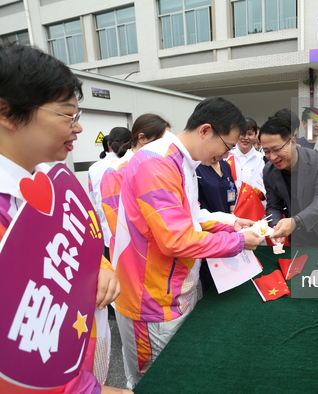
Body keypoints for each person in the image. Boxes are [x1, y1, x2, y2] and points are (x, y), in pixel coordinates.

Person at [0, 43, 128, 394]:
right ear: (7, 113)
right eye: (67, 114)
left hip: (80, 354)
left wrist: (102, 267)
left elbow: (84, 241)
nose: (79, 129)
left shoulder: (55, 179)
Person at [112, 97, 263, 389]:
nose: (226, 154)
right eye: (227, 146)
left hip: (174, 289)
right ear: (206, 130)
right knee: (156, 380)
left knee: (178, 373)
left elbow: (190, 217)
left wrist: (230, 224)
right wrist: (236, 241)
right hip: (151, 298)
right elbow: (176, 239)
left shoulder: (181, 161)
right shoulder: (156, 163)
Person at [261, 109, 318, 247]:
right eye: (267, 151)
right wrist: (276, 227)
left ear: (292, 141)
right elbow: (274, 206)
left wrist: (296, 221)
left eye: (277, 149)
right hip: (298, 238)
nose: (272, 157)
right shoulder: (269, 171)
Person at [101, 114, 170, 251]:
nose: (168, 145)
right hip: (136, 252)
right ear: (142, 138)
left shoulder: (162, 167)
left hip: (163, 247)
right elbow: (116, 223)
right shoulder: (116, 172)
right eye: (164, 140)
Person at [88, 126, 131, 258]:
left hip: (108, 233)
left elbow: (94, 199)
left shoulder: (94, 168)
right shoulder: (132, 163)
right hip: (132, 235)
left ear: (108, 145)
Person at [227, 117, 266, 200]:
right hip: (229, 206)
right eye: (242, 133)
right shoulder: (226, 157)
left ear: (256, 135)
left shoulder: (262, 159)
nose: (245, 137)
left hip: (254, 206)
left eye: (250, 134)